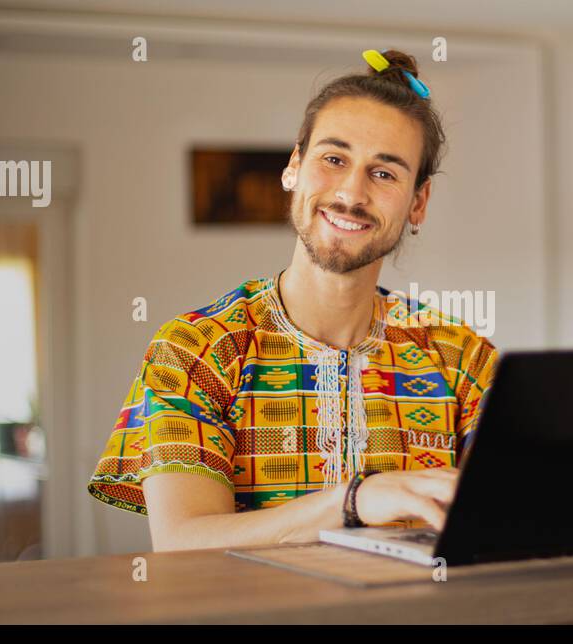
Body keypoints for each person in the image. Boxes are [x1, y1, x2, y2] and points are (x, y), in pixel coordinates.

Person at [87, 49, 500, 552]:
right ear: (293, 168)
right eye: (334, 159)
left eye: (385, 172)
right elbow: (181, 542)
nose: (352, 192)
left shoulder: (463, 360)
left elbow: (515, 517)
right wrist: (355, 501)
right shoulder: (195, 351)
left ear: (418, 202)